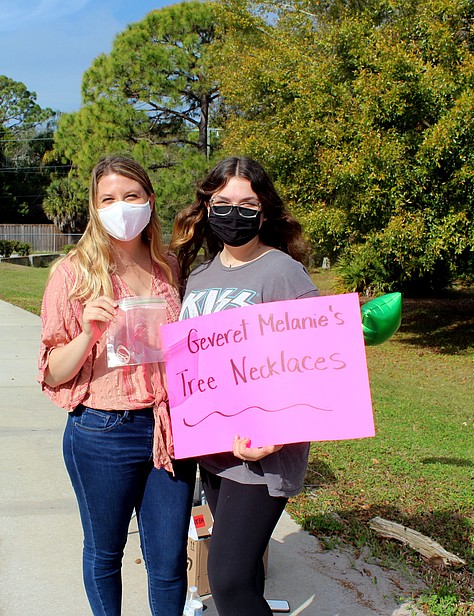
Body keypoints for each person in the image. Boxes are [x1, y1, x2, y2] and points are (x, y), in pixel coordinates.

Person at [38, 155, 196, 616]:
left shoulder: (170, 267)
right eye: (109, 198)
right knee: (105, 552)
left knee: (168, 563)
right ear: (94, 205)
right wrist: (87, 332)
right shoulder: (72, 273)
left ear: (149, 201)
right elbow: (52, 371)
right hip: (103, 432)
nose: (121, 207)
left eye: (131, 196)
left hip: (170, 429)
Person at [170, 156, 318, 616]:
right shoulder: (199, 276)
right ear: (206, 207)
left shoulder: (283, 273)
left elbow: (312, 367)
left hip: (262, 454)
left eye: (247, 204)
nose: (234, 213)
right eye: (223, 202)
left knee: (228, 580)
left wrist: (275, 435)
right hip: (213, 448)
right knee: (247, 571)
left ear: (265, 211)